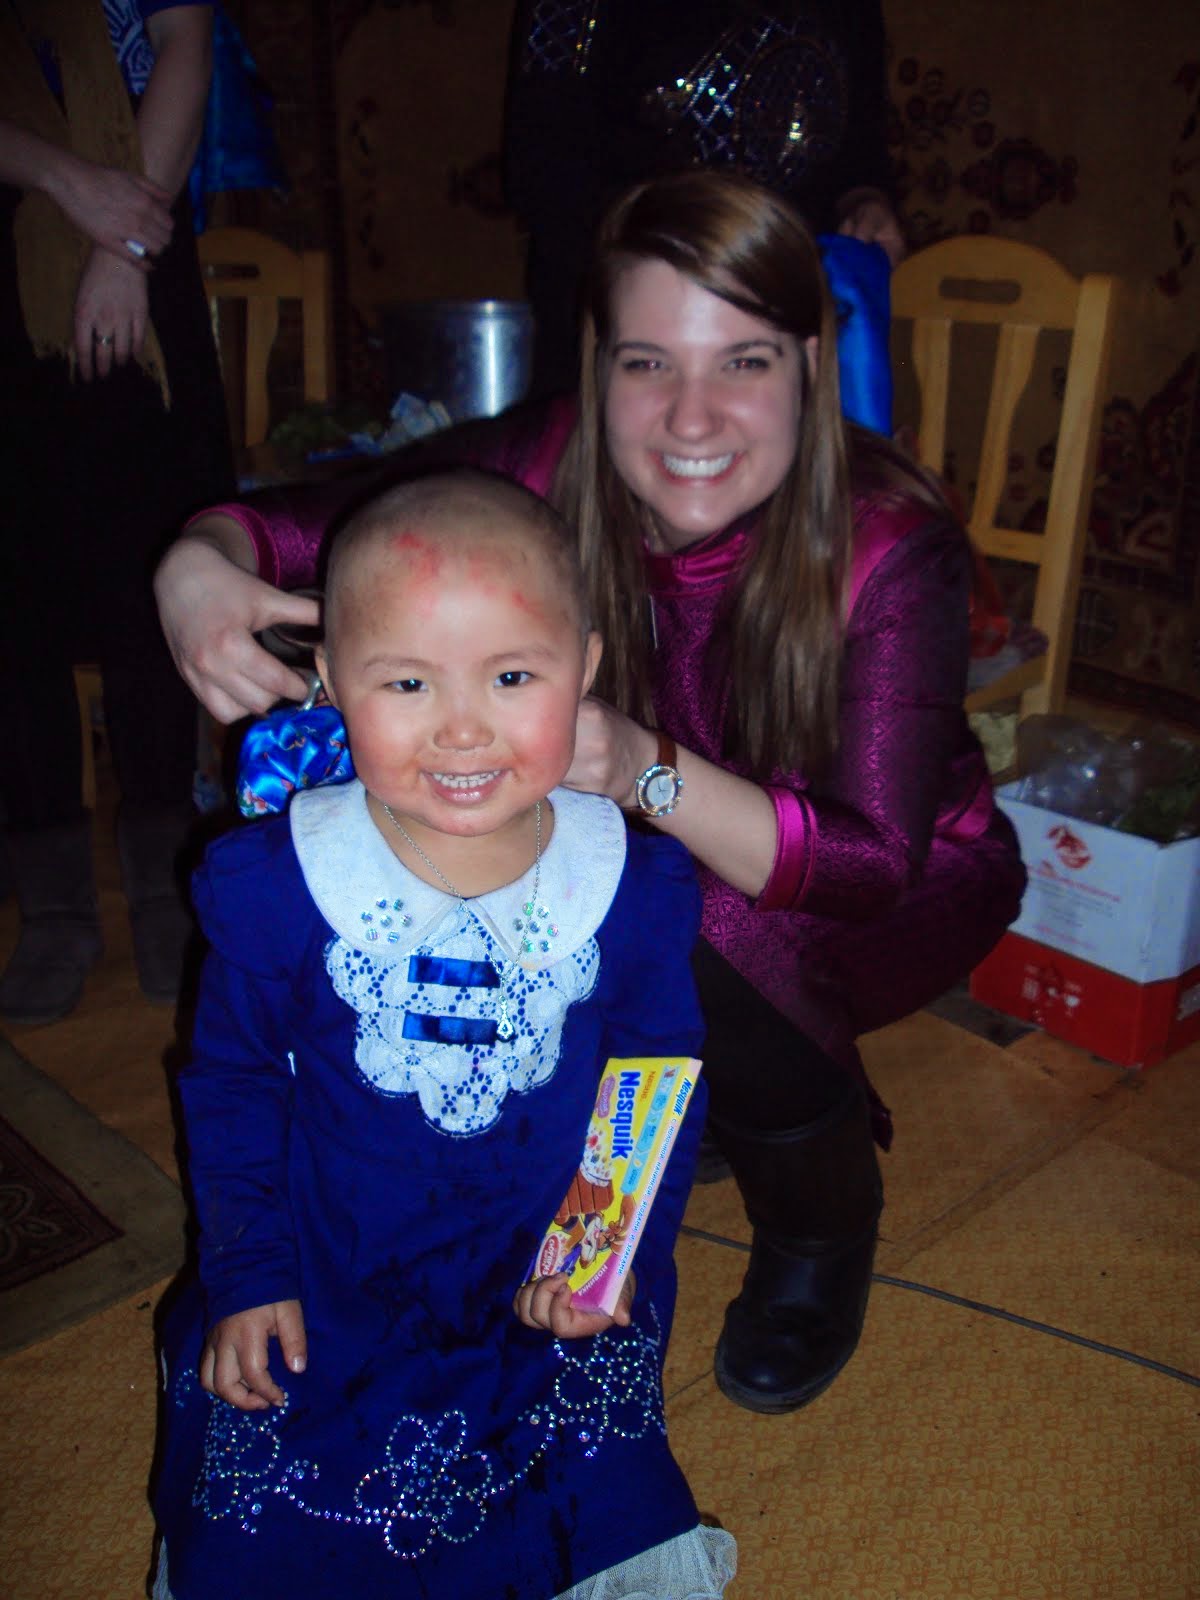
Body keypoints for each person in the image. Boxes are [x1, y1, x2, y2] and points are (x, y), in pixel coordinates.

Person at [153, 171, 1028, 1416]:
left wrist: (640, 770)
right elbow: (311, 533)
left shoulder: (894, 545)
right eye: (646, 363)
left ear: (811, 368)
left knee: (683, 910)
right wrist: (199, 559)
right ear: (594, 366)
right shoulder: (550, 456)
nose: (691, 417)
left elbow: (873, 861)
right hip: (662, 809)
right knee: (540, 834)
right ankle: (697, 1089)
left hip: (895, 878)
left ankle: (822, 1221)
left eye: (745, 361)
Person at [152, 470, 736, 1599]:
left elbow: (657, 1075)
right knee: (265, 1504)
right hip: (331, 1273)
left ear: (588, 671)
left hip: (539, 1265)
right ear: (330, 684)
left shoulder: (632, 884)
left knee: (599, 1497)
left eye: (514, 675)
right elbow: (228, 1081)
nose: (463, 726)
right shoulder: (281, 882)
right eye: (407, 681)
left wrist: (601, 1255)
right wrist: (249, 1269)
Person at [0, 0, 233, 1020]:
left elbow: (188, 37)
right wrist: (64, 181)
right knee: (9, 595)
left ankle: (160, 886)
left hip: (146, 225)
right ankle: (53, 908)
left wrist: (123, 243)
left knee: (159, 567)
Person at [505, 0, 905, 395]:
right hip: (628, 321)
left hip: (788, 310)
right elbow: (544, 169)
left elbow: (859, 149)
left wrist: (866, 201)